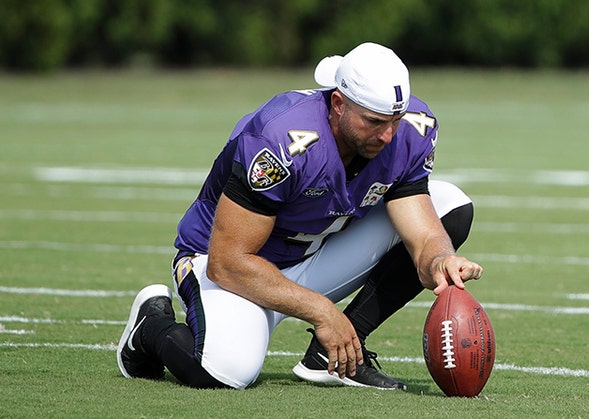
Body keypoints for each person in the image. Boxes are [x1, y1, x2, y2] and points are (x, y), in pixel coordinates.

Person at [116, 42, 484, 389]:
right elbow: (227, 263)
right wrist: (322, 311)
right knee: (224, 370)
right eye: (373, 121)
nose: (387, 135)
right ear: (338, 103)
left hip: (312, 253)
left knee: (448, 204)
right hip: (232, 266)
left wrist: (438, 259)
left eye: (394, 120)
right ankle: (150, 327)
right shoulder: (280, 140)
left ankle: (336, 355)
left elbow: (420, 227)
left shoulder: (410, 130)